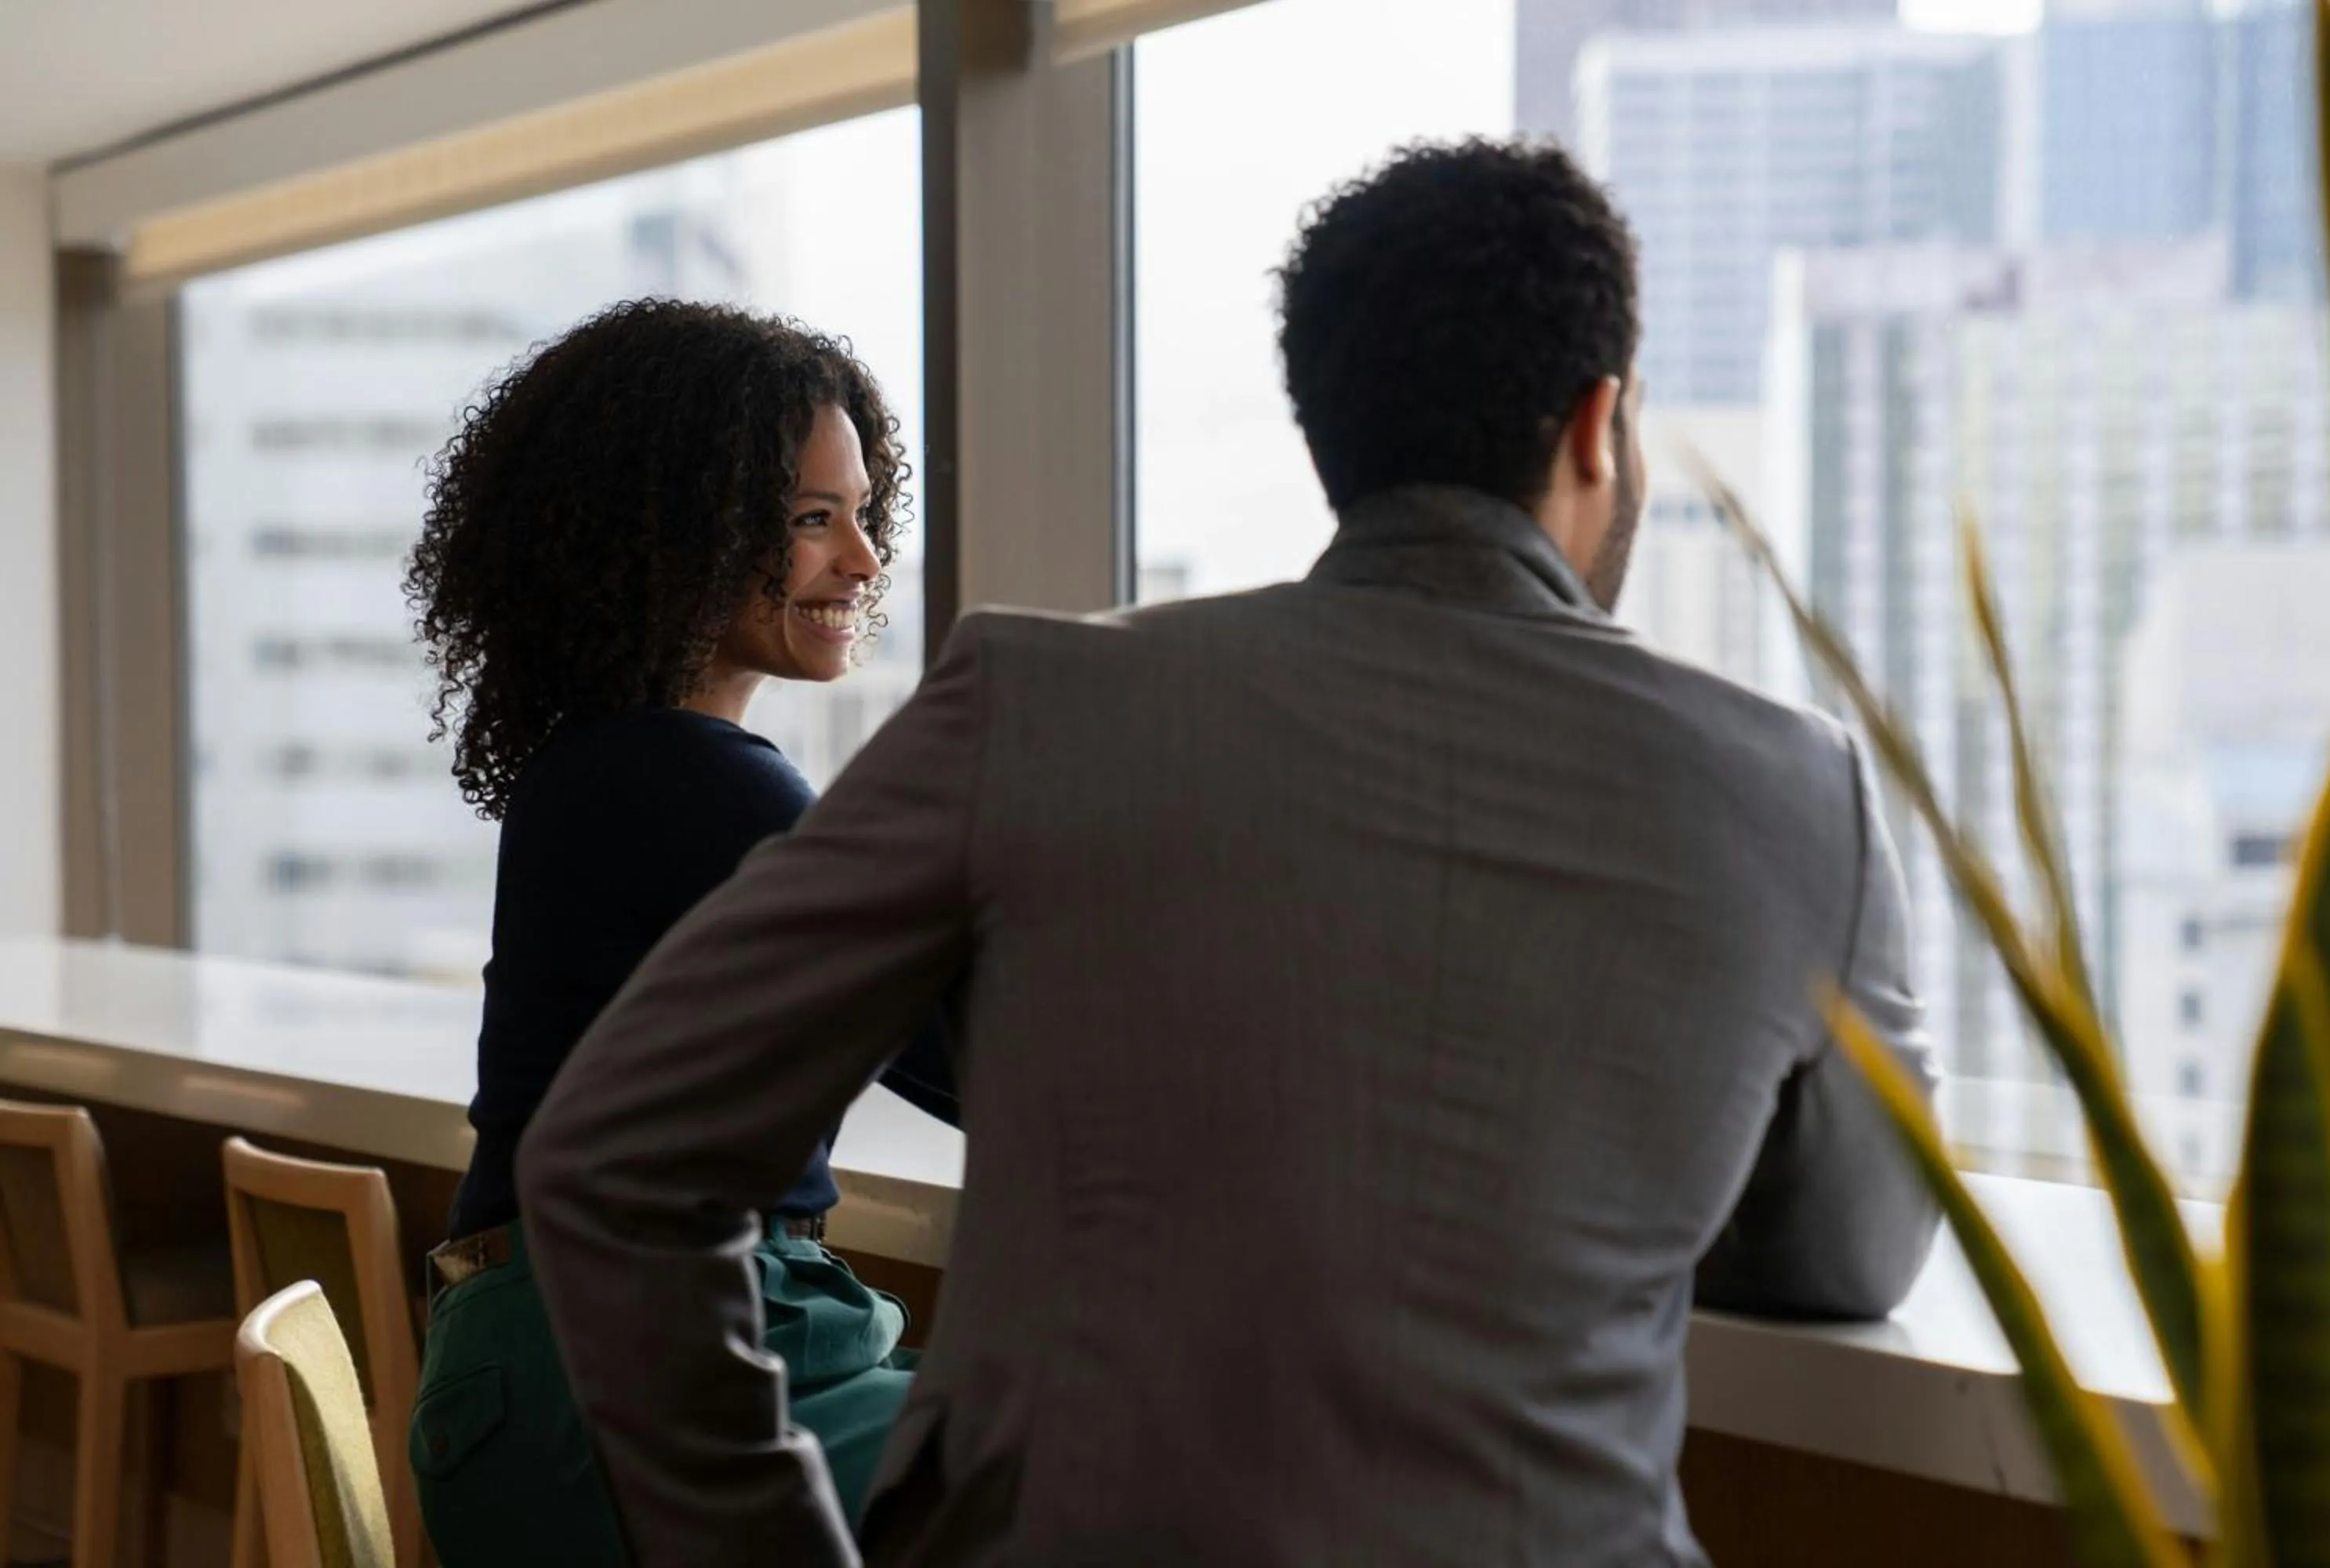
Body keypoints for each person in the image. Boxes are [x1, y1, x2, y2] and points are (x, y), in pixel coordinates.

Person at [519, 142, 1939, 1567]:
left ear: (1326, 436)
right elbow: (1850, 1259)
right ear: (1598, 422)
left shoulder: (1031, 700)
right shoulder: (1796, 787)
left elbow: (615, 1156)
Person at [398, 299, 957, 1567]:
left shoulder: (607, 762)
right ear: (675, 536)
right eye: (814, 520)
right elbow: (974, 1052)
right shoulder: (696, 780)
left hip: (556, 1375)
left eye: (863, 512)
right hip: (623, 1372)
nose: (864, 562)